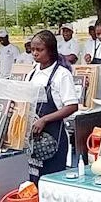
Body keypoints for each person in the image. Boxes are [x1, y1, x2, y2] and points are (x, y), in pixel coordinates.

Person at [26, 30, 79, 183]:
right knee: (33, 182)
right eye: (32, 49)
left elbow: (72, 106)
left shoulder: (61, 75)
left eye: (39, 50)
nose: (35, 53)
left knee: (51, 182)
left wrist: (44, 120)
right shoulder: (32, 74)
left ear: (51, 51)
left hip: (54, 138)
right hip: (34, 139)